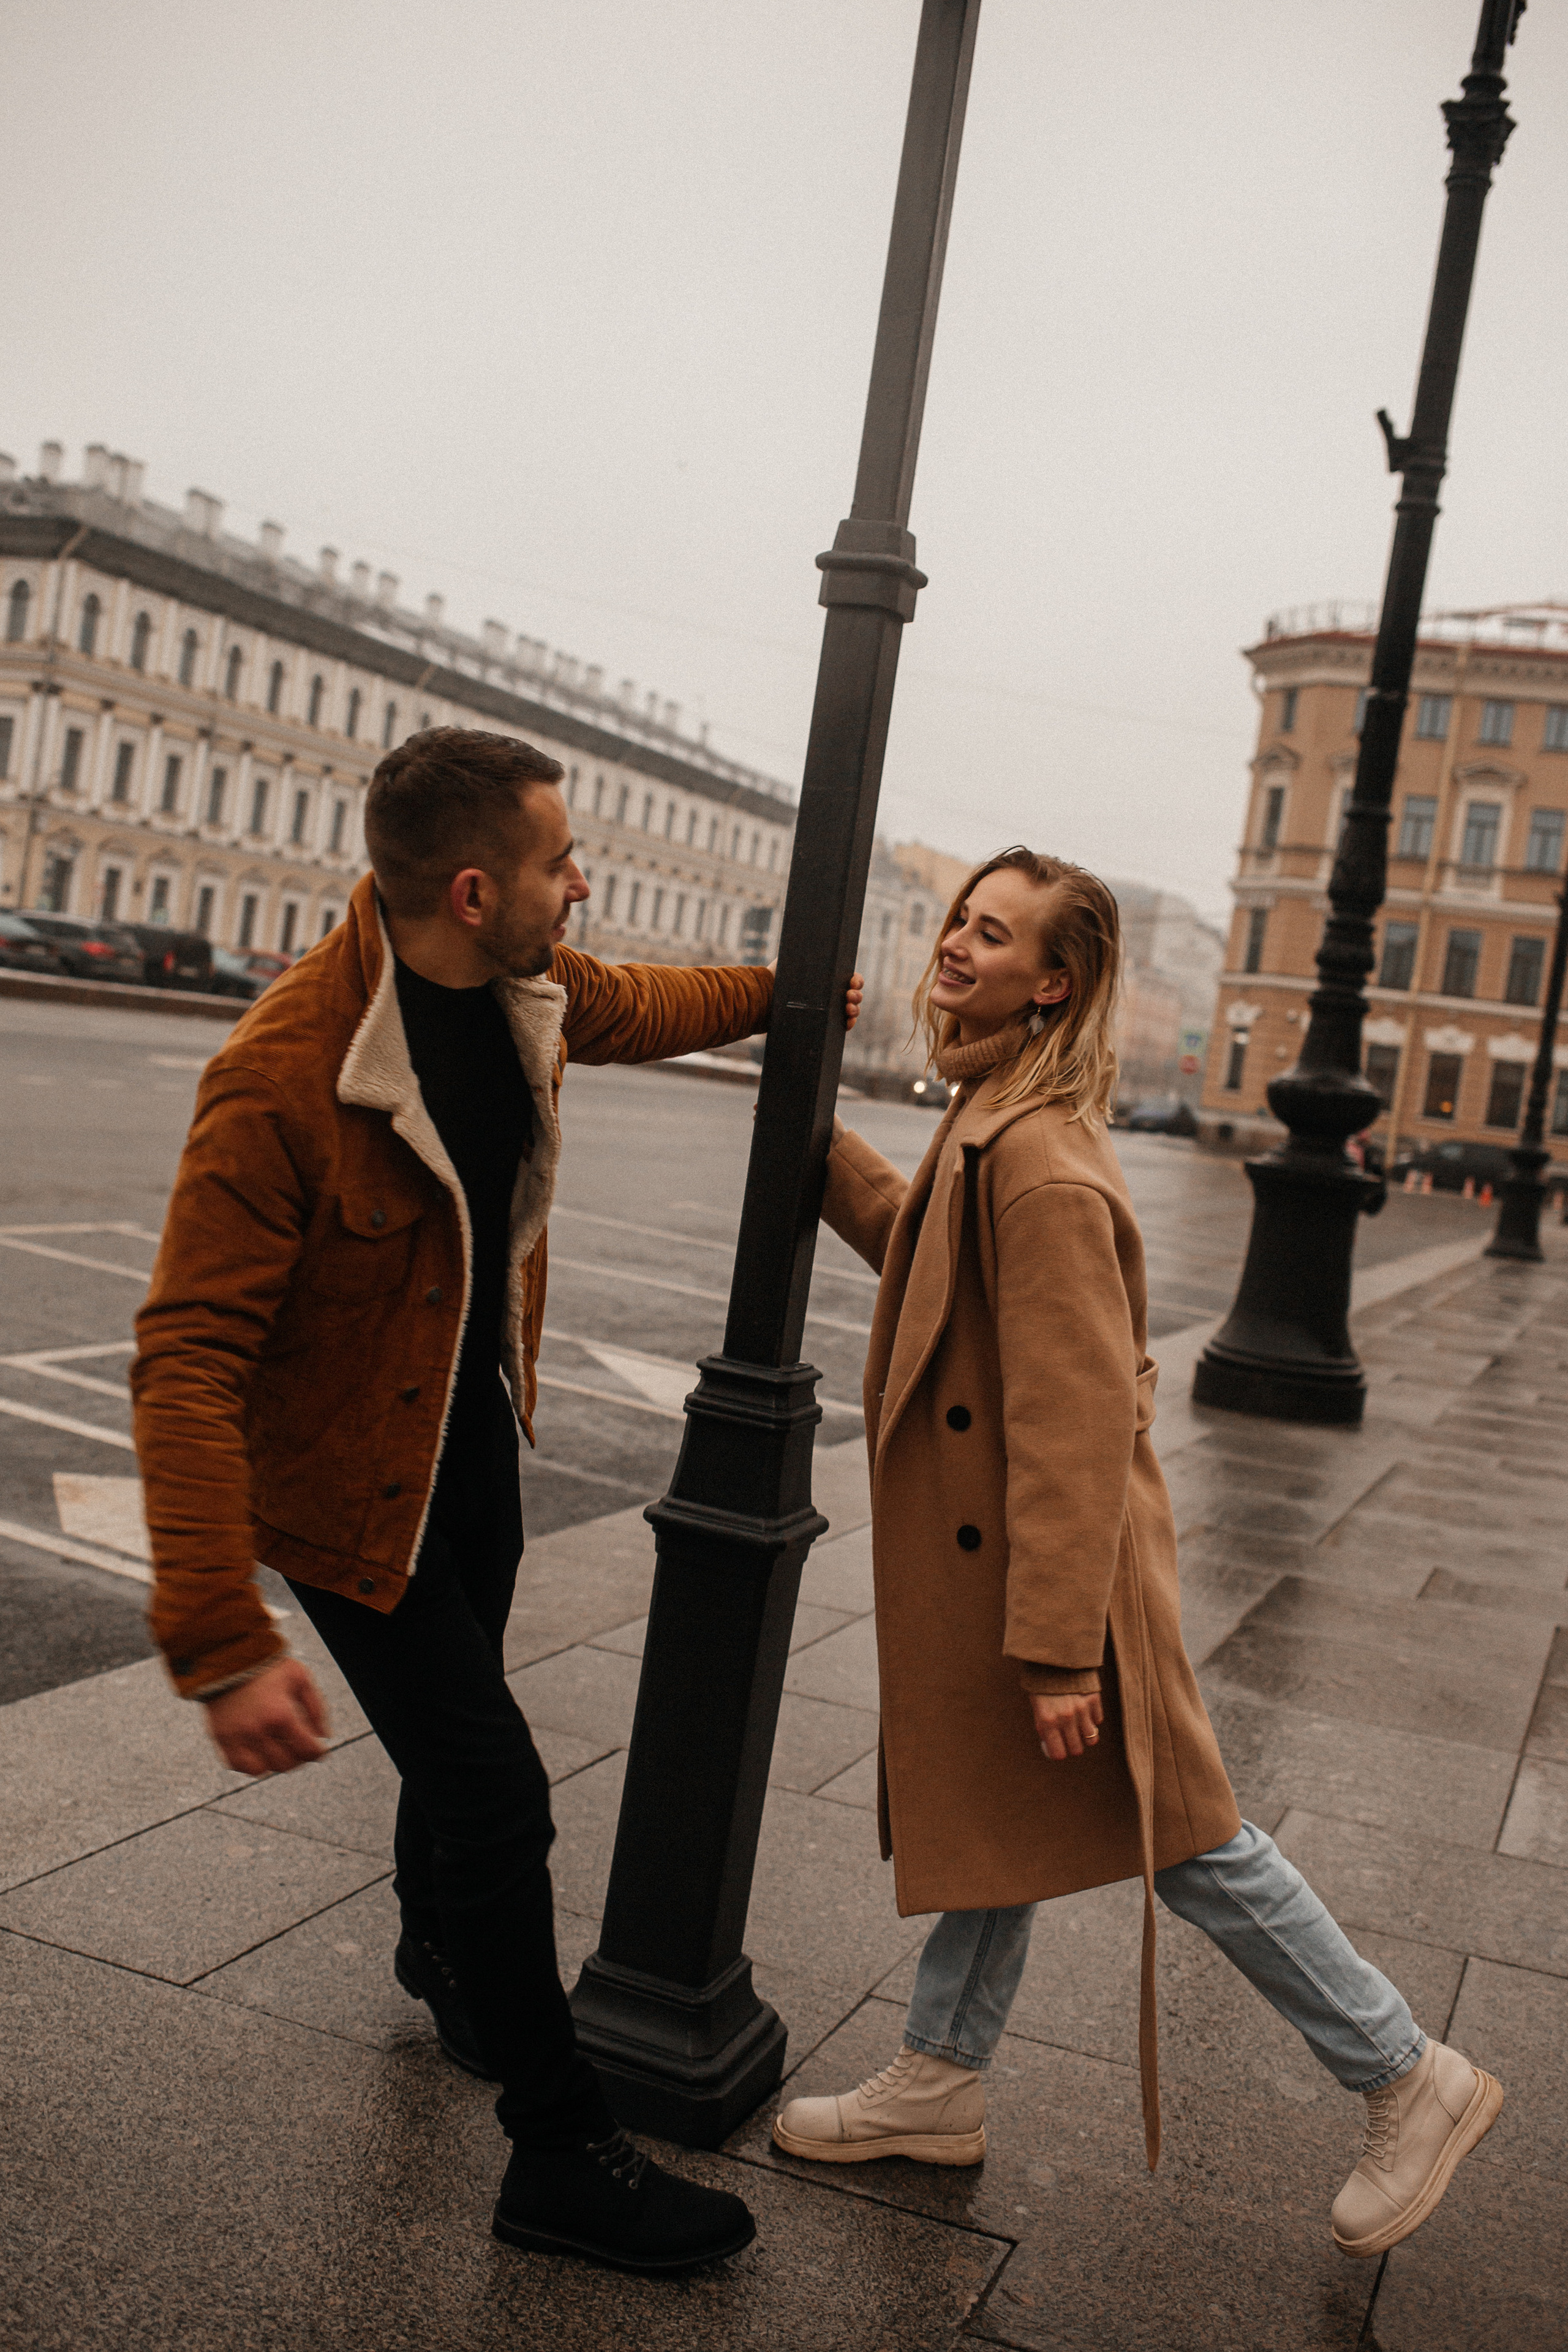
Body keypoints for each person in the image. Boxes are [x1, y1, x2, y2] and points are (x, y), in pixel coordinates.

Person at [134, 726, 854, 2276]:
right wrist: (217, 1633)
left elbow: (644, 1003)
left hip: (469, 1435)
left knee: (455, 1783)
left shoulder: (522, 989)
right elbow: (187, 1358)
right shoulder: (283, 1075)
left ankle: (437, 1945)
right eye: (558, 864)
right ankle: (558, 2151)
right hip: (345, 1491)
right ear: (474, 888)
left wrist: (788, 997)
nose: (580, 885)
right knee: (497, 1792)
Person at [772, 846, 1502, 2262]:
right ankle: (938, 2078)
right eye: (958, 922)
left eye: (994, 935)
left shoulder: (1034, 1157)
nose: (958, 947)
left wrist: (1053, 1647)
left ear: (1056, 982)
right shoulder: (1000, 1113)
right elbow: (937, 1279)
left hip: (1061, 1573)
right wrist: (824, 1156)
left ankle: (1406, 2075)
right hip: (1022, 1561)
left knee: (1187, 1838)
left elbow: (1073, 1416)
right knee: (1002, 1811)